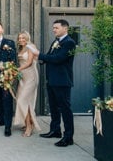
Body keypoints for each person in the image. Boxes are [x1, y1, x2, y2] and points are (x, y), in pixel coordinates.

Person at [31, 19, 76, 147]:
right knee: (54, 107)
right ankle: (55, 130)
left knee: (65, 109)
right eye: (53, 27)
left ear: (65, 29)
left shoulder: (69, 43)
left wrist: (39, 55)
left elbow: (58, 59)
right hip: (52, 80)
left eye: (56, 27)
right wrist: (40, 59)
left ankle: (68, 137)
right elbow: (50, 57)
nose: (53, 30)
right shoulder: (56, 42)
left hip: (62, 81)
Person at [13, 31, 41, 137]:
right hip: (22, 77)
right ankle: (28, 123)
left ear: (27, 38)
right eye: (19, 38)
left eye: (23, 38)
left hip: (31, 76)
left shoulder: (30, 46)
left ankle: (29, 126)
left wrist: (16, 69)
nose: (21, 40)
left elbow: (29, 63)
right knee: (22, 100)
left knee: (22, 100)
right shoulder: (21, 48)